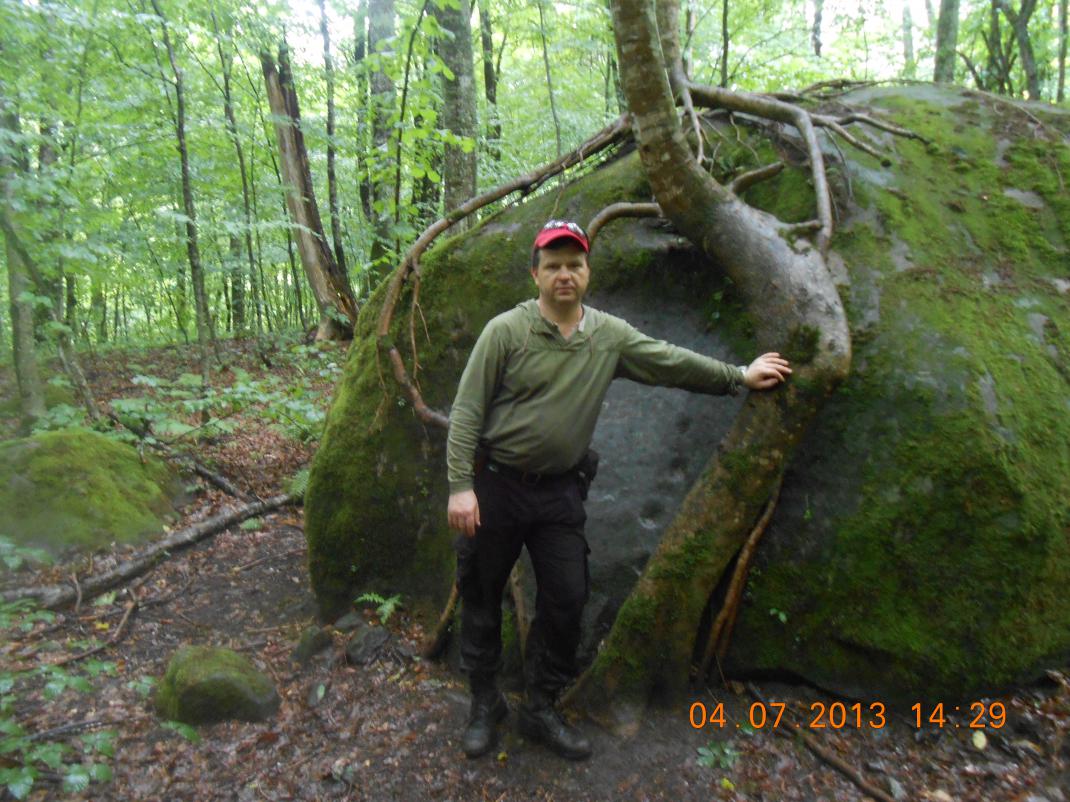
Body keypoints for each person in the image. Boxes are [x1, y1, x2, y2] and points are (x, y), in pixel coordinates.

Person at [445, 220, 791, 760]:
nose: (564, 274)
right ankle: (484, 703)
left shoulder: (607, 336)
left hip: (559, 494)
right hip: (497, 488)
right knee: (482, 596)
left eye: (574, 264)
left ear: (588, 272)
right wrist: (460, 487)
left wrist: (737, 375)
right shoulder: (506, 332)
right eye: (553, 265)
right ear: (535, 274)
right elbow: (467, 411)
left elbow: (669, 361)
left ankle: (540, 706)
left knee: (567, 599)